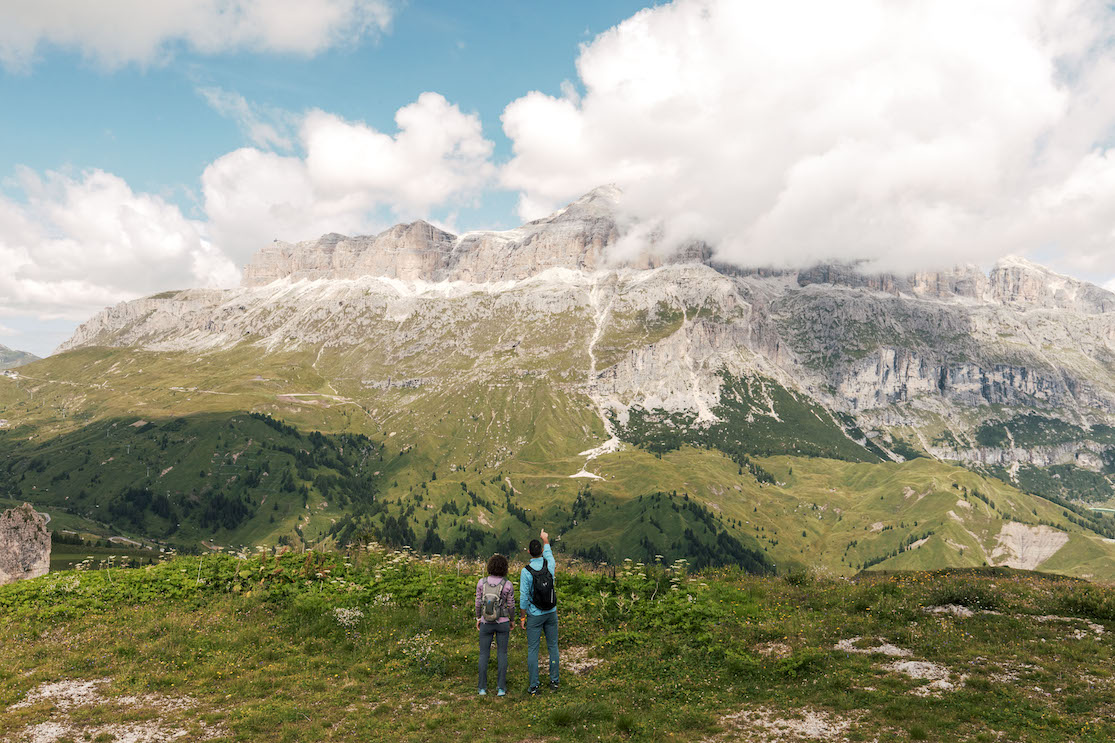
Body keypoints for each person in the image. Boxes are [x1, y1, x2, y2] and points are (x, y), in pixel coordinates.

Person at [520, 528, 558, 695]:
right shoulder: (549, 564)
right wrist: (545, 539)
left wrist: (522, 617)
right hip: (551, 611)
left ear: (529, 552)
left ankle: (534, 686)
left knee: (533, 650)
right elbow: (549, 553)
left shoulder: (526, 571)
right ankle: (554, 682)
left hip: (534, 615)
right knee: (553, 647)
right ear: (541, 551)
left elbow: (523, 597)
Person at [475, 553, 514, 696]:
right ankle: (501, 688)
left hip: (486, 622)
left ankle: (482, 688)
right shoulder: (507, 584)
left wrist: (478, 617)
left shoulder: (481, 582)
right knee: (502, 653)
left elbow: (478, 603)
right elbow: (511, 605)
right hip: (503, 622)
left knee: (484, 654)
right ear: (505, 568)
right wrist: (512, 620)